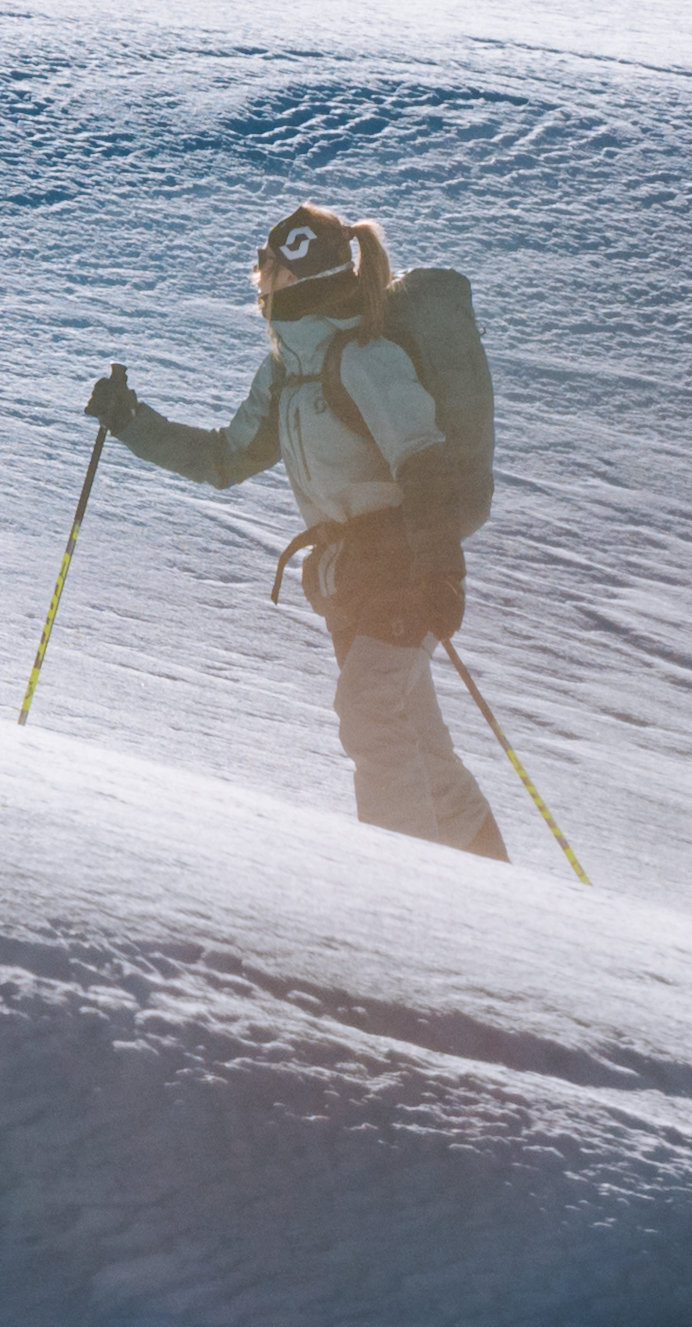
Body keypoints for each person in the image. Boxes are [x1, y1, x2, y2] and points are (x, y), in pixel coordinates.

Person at [80, 207, 505, 857]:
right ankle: (496, 901)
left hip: (401, 570)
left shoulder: (365, 357)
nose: (256, 278)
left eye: (265, 265)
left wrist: (441, 574)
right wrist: (132, 421)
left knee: (369, 713)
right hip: (353, 581)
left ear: (292, 270)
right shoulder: (288, 372)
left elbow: (424, 460)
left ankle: (408, 908)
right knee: (416, 742)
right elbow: (225, 459)